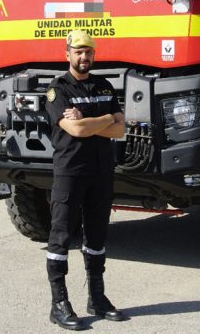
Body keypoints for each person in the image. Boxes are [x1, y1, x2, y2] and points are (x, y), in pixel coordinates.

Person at [43, 30, 126, 330]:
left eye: (88, 51)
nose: (84, 56)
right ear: (67, 54)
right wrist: (106, 119)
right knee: (61, 235)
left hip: (101, 171)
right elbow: (75, 131)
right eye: (78, 51)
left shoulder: (104, 86)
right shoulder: (57, 90)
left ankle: (98, 298)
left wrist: (94, 121)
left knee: (97, 235)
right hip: (70, 170)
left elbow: (120, 130)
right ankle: (59, 304)